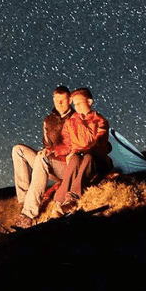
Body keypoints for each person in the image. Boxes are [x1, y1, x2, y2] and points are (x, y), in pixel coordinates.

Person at [12, 86, 74, 229]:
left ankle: (28, 214)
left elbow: (74, 146)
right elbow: (47, 144)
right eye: (56, 101)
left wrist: (51, 152)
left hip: (66, 166)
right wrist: (46, 151)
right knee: (18, 150)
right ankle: (25, 200)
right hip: (50, 163)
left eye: (63, 101)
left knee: (42, 158)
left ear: (70, 100)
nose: (59, 104)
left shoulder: (75, 118)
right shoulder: (48, 120)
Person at [50, 87, 111, 215]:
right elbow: (67, 144)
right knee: (74, 158)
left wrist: (80, 150)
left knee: (87, 156)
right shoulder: (71, 122)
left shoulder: (100, 121)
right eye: (74, 104)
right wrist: (52, 150)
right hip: (80, 158)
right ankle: (60, 200)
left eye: (79, 103)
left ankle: (73, 199)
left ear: (89, 102)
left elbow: (98, 143)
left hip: (96, 160)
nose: (75, 107)